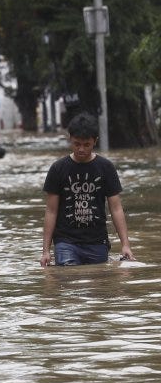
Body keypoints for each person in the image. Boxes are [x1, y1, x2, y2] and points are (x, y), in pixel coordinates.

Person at [40, 112, 134, 267]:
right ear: (70, 138)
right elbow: (51, 211)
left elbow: (116, 208)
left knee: (97, 280)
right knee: (68, 277)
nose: (81, 149)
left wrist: (125, 245)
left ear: (95, 141)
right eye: (77, 144)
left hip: (97, 242)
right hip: (65, 242)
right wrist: (46, 251)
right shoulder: (58, 169)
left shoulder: (106, 168)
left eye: (86, 144)